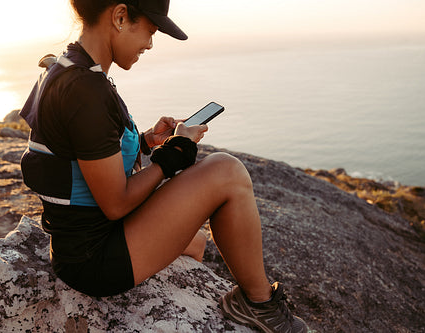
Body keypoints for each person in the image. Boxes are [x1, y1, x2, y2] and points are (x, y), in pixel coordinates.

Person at [19, 1, 308, 332]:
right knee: (227, 171)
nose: (150, 44)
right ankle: (258, 304)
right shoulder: (85, 90)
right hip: (93, 260)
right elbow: (115, 203)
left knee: (197, 242)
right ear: (120, 16)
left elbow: (80, 157)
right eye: (151, 31)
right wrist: (176, 151)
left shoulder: (68, 68)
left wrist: (145, 142)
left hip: (83, 238)